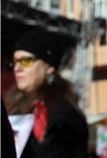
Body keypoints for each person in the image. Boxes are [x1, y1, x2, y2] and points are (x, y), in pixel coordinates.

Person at [4, 30, 88, 158]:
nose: (17, 68)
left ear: (49, 67)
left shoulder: (64, 112)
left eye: (26, 61)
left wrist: (44, 142)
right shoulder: (12, 107)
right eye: (14, 62)